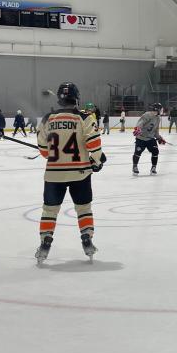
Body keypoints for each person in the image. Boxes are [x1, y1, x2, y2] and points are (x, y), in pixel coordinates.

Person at [34, 82, 106, 265]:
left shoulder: (47, 119)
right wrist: (97, 161)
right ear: (77, 98)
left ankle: (45, 241)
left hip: (53, 175)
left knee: (49, 210)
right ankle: (87, 238)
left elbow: (43, 152)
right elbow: (94, 145)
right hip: (80, 173)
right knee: (83, 208)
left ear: (59, 98)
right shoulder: (85, 117)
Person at [133, 102, 166, 175]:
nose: (161, 111)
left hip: (150, 139)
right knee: (138, 152)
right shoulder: (147, 115)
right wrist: (138, 129)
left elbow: (156, 130)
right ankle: (135, 166)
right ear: (156, 109)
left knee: (155, 151)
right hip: (141, 138)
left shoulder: (158, 118)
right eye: (160, 109)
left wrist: (159, 138)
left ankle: (153, 167)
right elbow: (140, 123)